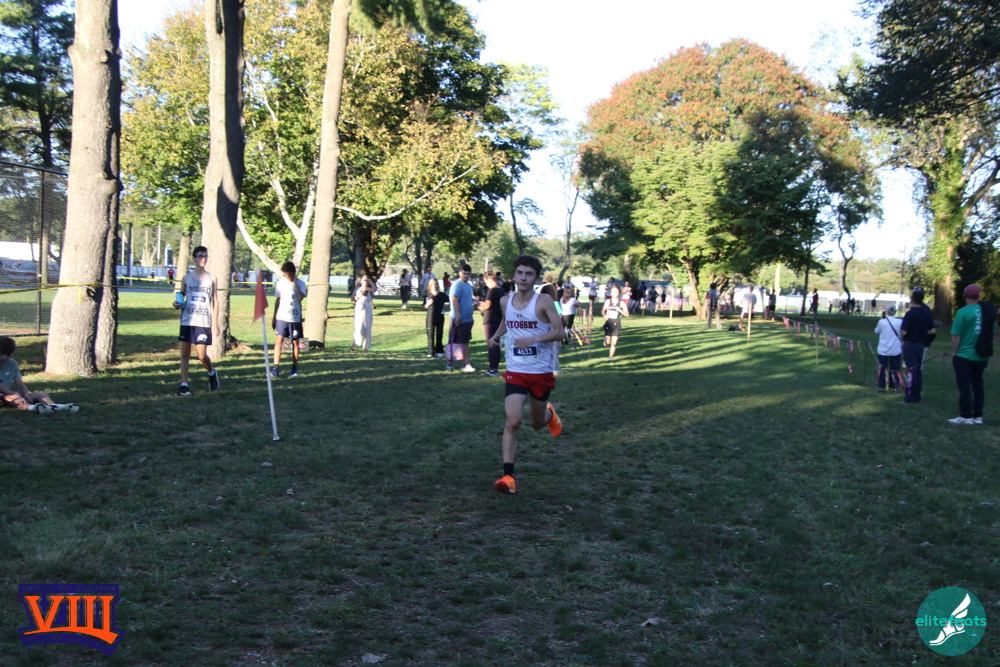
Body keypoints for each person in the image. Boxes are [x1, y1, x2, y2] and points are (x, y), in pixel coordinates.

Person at [487, 255, 565, 494]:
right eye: (520, 273)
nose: (523, 278)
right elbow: (507, 321)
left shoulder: (543, 301)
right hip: (516, 370)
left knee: (536, 424)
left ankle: (549, 414)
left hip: (540, 371)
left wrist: (533, 339)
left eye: (529, 274)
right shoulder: (505, 301)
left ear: (536, 278)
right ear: (514, 275)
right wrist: (497, 335)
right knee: (513, 421)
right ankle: (508, 477)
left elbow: (560, 332)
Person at [174, 246, 220, 396]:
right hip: (187, 320)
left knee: (201, 356)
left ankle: (211, 373)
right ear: (194, 258)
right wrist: (176, 303)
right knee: (185, 354)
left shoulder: (212, 278)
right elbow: (180, 296)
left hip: (203, 321)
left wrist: (215, 324)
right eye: (200, 256)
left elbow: (215, 301)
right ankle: (184, 385)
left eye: (205, 256)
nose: (203, 259)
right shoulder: (186, 278)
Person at [948, 285, 996, 424]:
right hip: (982, 354)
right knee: (978, 385)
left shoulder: (962, 312)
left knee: (964, 385)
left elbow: (956, 336)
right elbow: (993, 331)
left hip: (965, 355)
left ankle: (966, 416)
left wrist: (955, 353)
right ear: (978, 296)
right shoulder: (987, 311)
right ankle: (978, 416)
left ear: (965, 296)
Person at [0, 337, 78, 414]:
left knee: (41, 395)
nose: (4, 357)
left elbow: (19, 382)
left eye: (7, 355)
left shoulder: (12, 363)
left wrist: (25, 394)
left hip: (9, 394)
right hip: (5, 395)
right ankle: (32, 407)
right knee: (8, 398)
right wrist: (13, 395)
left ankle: (54, 407)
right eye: (2, 354)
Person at [270, 261, 307, 379]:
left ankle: (294, 368)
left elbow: (300, 297)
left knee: (295, 343)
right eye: (285, 274)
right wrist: (274, 317)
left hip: (295, 318)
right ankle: (275, 367)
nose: (287, 276)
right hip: (282, 317)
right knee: (279, 341)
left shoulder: (301, 283)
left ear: (293, 273)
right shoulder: (281, 283)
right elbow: (278, 300)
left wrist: (295, 283)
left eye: (289, 274)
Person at [899, 286, 936, 404]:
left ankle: (909, 397)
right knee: (918, 370)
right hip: (921, 345)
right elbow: (933, 330)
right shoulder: (926, 313)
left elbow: (904, 332)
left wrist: (910, 332)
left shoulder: (910, 314)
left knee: (911, 371)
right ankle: (917, 395)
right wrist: (921, 332)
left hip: (910, 345)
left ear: (912, 299)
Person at [447, 264, 476, 372]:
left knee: (465, 341)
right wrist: (458, 315)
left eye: (468, 274)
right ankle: (450, 363)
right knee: (453, 341)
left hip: (468, 319)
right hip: (457, 318)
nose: (466, 275)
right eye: (464, 273)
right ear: (460, 273)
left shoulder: (468, 285)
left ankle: (466, 363)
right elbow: (454, 300)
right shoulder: (457, 284)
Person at [478, 270, 505, 376]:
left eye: (486, 282)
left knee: (491, 343)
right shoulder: (501, 290)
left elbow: (487, 305)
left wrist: (480, 306)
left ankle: (492, 369)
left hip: (490, 319)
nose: (486, 284)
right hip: (499, 319)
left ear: (489, 280)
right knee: (496, 344)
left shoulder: (492, 291)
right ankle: (495, 367)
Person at [874, 305, 903, 393]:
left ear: (887, 312)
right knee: (895, 368)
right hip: (895, 348)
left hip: (883, 349)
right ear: (895, 312)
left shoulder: (882, 322)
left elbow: (876, 331)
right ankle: (895, 386)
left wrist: (881, 319)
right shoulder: (900, 321)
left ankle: (881, 386)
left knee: (882, 368)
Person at [602, 284, 629, 362]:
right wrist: (604, 315)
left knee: (614, 343)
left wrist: (620, 310)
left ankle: (610, 359)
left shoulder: (622, 303)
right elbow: (603, 310)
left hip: (617, 323)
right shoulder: (608, 301)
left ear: (619, 293)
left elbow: (627, 314)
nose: (614, 293)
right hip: (609, 322)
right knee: (607, 342)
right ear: (610, 293)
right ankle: (605, 341)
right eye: (613, 291)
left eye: (616, 292)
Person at [352, 273, 375, 351]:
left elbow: (374, 288)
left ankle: (365, 346)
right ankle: (354, 344)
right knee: (358, 327)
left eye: (367, 280)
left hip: (367, 309)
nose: (365, 281)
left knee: (367, 328)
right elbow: (352, 298)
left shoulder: (369, 289)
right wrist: (359, 295)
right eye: (364, 279)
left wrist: (369, 280)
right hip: (359, 308)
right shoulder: (357, 289)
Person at [424, 278, 447, 358]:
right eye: (434, 284)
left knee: (439, 334)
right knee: (430, 335)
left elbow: (451, 301)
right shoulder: (428, 295)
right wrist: (428, 304)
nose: (436, 285)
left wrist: (445, 307)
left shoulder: (442, 295)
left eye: (437, 284)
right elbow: (423, 306)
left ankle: (439, 351)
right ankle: (431, 352)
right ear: (430, 285)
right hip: (430, 318)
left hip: (440, 317)